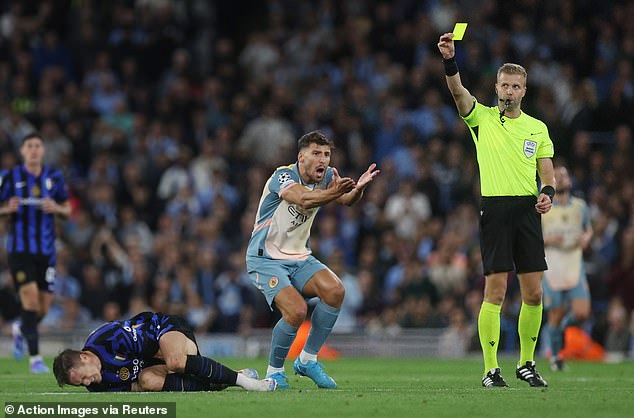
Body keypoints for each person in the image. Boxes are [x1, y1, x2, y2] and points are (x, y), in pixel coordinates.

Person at [437, 33, 556, 387]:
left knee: (534, 293)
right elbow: (458, 93)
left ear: (524, 91)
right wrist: (449, 61)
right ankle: (491, 369)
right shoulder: (482, 118)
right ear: (496, 86)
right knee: (496, 292)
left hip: (527, 212)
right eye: (504, 84)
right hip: (496, 209)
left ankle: (526, 363)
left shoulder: (537, 127)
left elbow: (546, 172)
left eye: (515, 86)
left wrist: (548, 192)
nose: (508, 91)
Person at [246, 130, 380, 389]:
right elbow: (304, 199)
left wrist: (359, 190)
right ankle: (274, 372)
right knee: (296, 310)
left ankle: (307, 360)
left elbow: (347, 200)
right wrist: (335, 193)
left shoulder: (328, 176)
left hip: (299, 256)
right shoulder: (282, 176)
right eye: (316, 154)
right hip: (266, 257)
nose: (323, 160)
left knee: (335, 291)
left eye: (327, 154)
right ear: (301, 157)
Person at [52, 311, 277, 392]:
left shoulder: (107, 339)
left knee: (176, 361)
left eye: (83, 377)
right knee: (148, 381)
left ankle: (248, 383)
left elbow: (152, 344)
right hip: (150, 362)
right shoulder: (97, 385)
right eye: (81, 384)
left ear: (84, 357)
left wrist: (178, 362)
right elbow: (136, 386)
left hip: (162, 329)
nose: (88, 383)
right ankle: (226, 378)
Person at [0, 133, 71, 373]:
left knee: (42, 309)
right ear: (22, 151)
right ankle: (35, 359)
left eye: (37, 145)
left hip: (47, 251)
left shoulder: (54, 177)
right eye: (29, 145)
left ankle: (21, 329)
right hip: (20, 250)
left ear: (43, 150)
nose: (33, 149)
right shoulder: (10, 177)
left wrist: (57, 208)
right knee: (29, 300)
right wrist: (6, 209)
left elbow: (68, 210)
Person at [542, 166, 593, 371]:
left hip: (574, 262)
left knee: (582, 312)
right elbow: (534, 238)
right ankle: (555, 357)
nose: (562, 178)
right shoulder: (544, 208)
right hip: (552, 264)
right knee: (555, 312)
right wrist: (548, 239)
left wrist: (586, 238)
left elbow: (588, 229)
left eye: (565, 174)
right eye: (557, 176)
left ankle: (564, 327)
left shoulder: (580, 206)